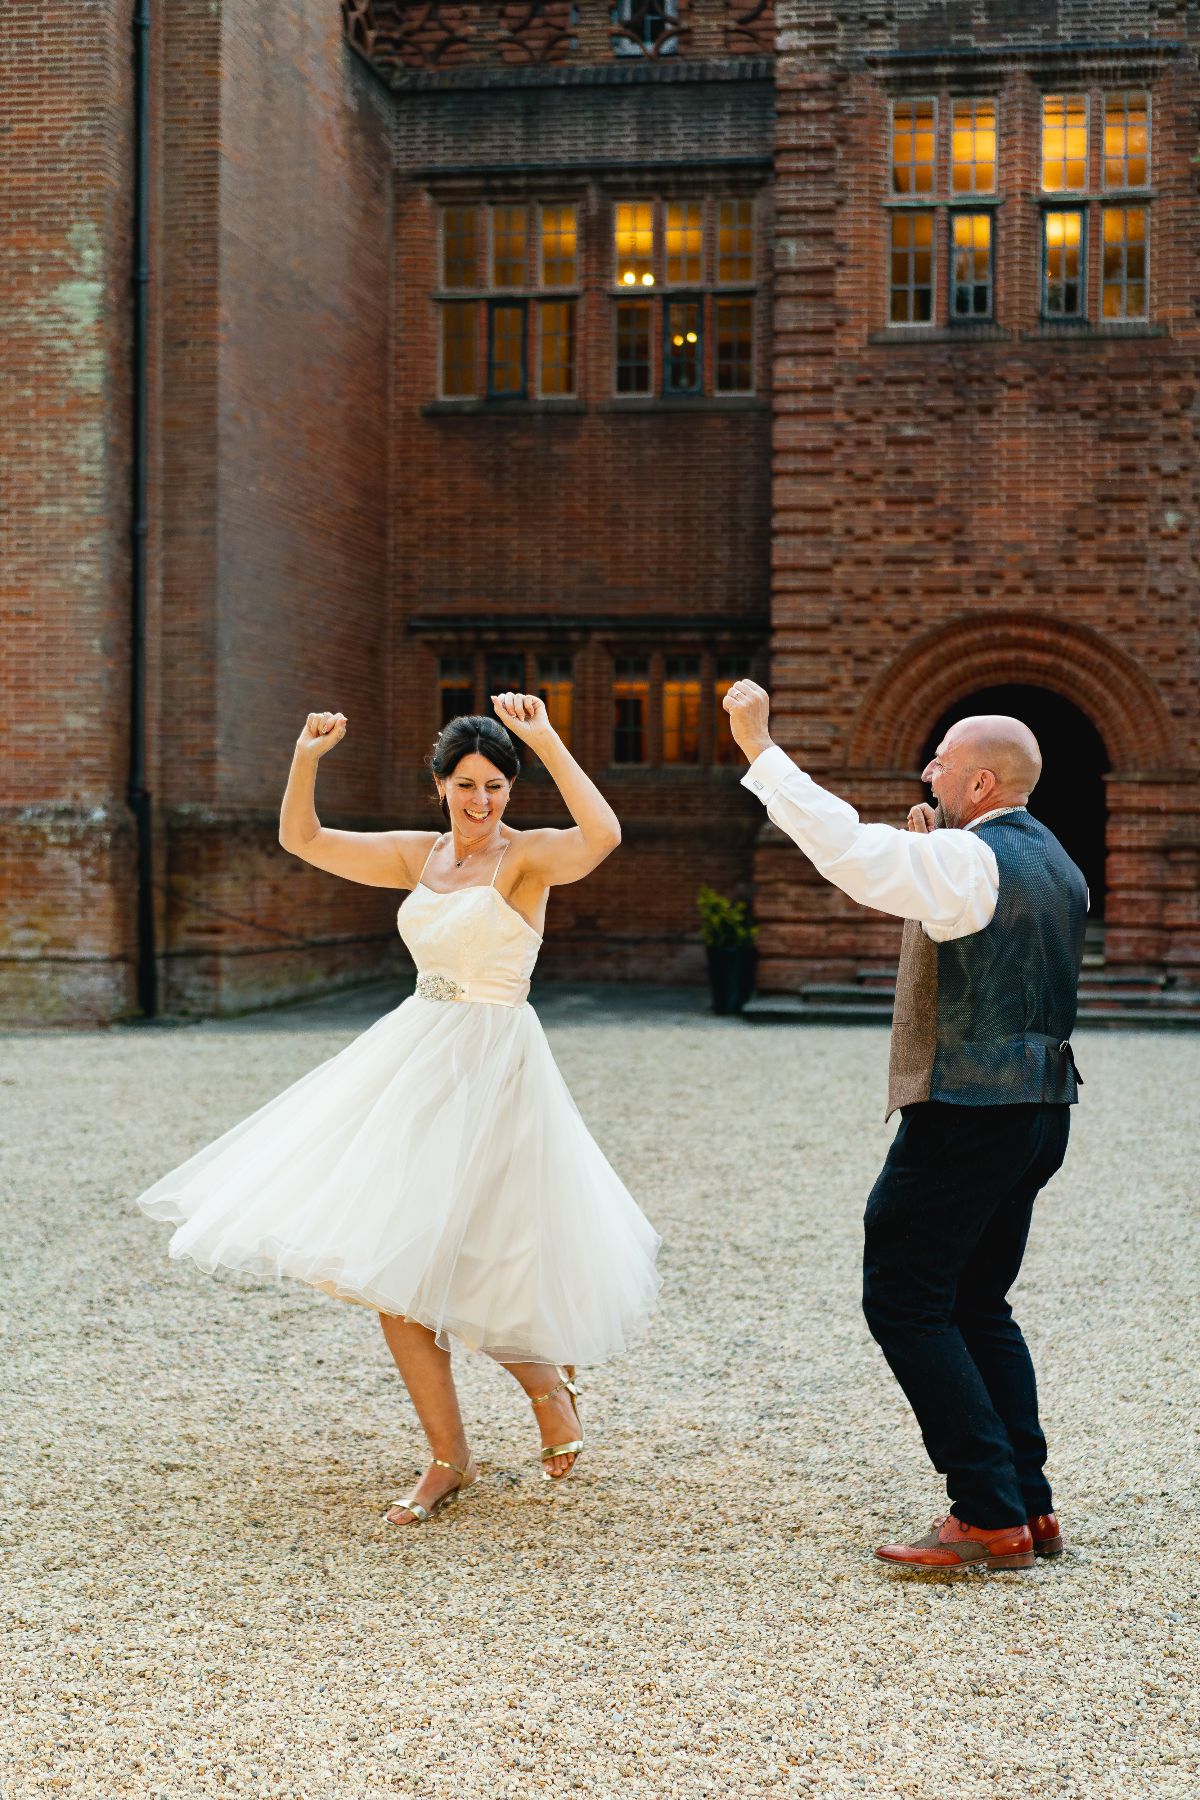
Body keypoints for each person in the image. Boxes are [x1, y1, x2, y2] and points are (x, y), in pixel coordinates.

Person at [135, 693, 661, 1526]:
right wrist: (308, 757)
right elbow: (301, 840)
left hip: (497, 1068)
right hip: (415, 1060)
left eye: (494, 785)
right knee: (391, 1260)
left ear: (512, 790)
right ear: (439, 787)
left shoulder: (525, 861)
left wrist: (548, 738)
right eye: (465, 785)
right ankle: (449, 1457)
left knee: (475, 1253)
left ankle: (541, 1381)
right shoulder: (420, 856)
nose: (480, 801)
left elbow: (604, 838)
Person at [723, 679, 1086, 1573]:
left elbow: (846, 849)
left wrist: (757, 747)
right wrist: (937, 854)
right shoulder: (1058, 865)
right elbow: (971, 930)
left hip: (969, 1112)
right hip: (1042, 1111)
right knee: (977, 1303)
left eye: (942, 761)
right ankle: (1029, 1507)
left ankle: (986, 1512)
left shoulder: (969, 862)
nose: (927, 770)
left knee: (904, 1297)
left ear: (979, 787)